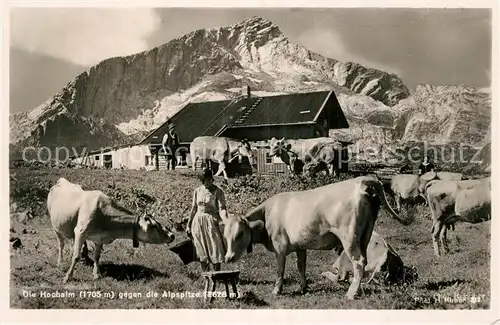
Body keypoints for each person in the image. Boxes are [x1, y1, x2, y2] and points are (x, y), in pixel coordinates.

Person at [186, 168, 228, 271]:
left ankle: (217, 273)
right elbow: (194, 208)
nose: (206, 182)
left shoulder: (218, 191)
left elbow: (222, 208)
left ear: (211, 179)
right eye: (204, 180)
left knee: (215, 246)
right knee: (200, 247)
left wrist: (225, 221)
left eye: (208, 179)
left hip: (211, 221)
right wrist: (189, 224)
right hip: (198, 221)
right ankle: (206, 275)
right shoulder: (197, 191)